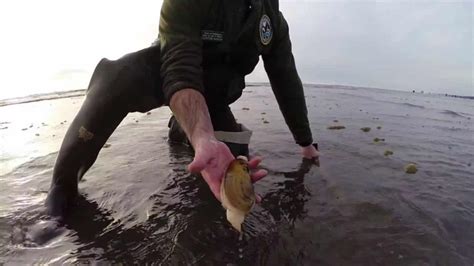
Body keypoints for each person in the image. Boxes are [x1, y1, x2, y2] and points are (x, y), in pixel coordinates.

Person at [45, 0, 320, 218]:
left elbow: (285, 78)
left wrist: (305, 142)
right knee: (119, 78)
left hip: (217, 93)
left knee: (234, 163)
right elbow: (180, 69)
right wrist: (203, 136)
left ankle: (182, 130)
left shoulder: (272, 19)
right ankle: (61, 189)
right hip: (167, 70)